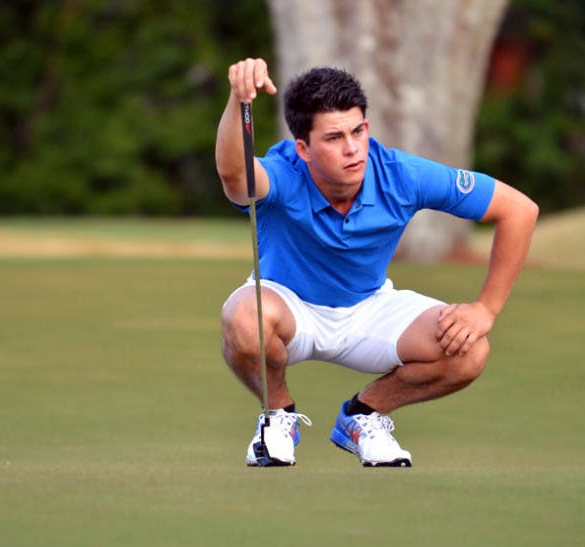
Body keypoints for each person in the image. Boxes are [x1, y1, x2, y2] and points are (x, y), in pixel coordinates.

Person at [216, 57, 538, 468]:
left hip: (369, 308)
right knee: (243, 317)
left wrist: (486, 309)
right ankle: (278, 416)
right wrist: (237, 99)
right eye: (333, 138)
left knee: (470, 351)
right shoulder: (284, 172)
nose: (352, 148)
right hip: (289, 304)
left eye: (358, 131)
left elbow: (519, 210)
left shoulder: (400, 174)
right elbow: (234, 177)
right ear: (304, 148)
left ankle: (363, 416)